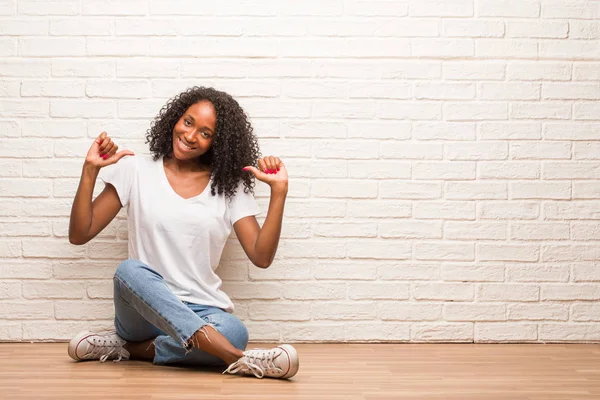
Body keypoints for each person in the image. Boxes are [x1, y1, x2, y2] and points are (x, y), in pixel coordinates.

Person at [66, 86, 299, 379]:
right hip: (142, 312)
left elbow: (261, 257)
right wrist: (90, 170)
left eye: (205, 133)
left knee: (234, 330)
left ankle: (130, 349)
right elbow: (79, 233)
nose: (190, 136)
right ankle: (237, 358)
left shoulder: (229, 186)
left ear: (218, 142)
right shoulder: (135, 169)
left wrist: (279, 193)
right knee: (130, 271)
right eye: (188, 122)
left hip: (201, 310)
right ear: (175, 119)